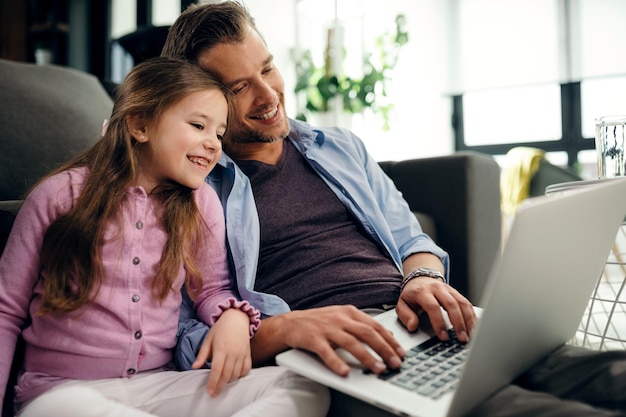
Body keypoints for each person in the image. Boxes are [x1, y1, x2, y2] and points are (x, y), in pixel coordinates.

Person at [161, 2, 626, 416]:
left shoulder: (338, 146)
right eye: (240, 86)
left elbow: (411, 240)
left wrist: (423, 278)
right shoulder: (190, 187)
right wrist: (286, 329)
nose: (268, 95)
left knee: (606, 372)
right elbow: (184, 339)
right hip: (344, 355)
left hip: (422, 327)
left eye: (268, 68)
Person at [0, 57, 329, 417]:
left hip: (158, 384)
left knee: (303, 384)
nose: (213, 144)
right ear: (140, 125)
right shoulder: (58, 196)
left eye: (218, 133)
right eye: (198, 125)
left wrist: (233, 316)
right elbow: (6, 310)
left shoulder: (201, 203)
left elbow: (211, 289)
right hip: (61, 393)